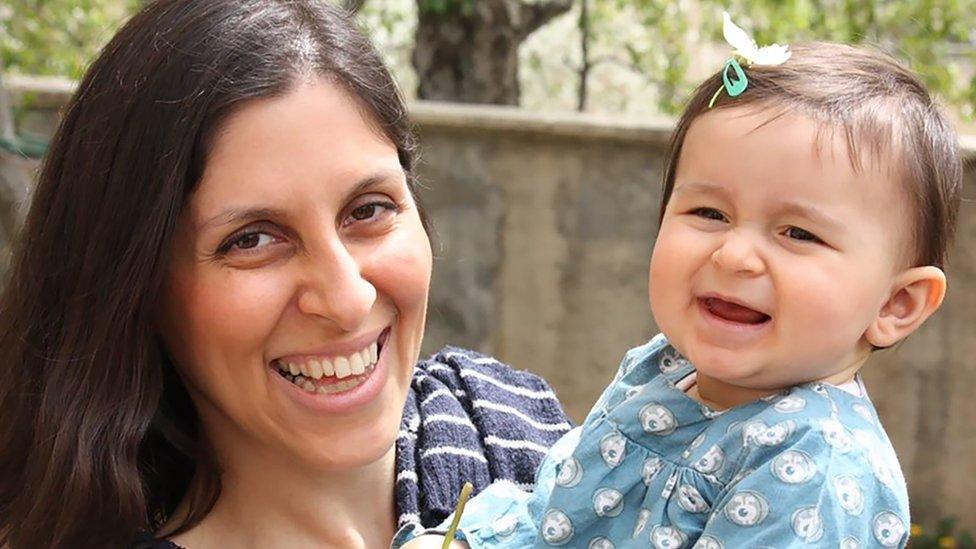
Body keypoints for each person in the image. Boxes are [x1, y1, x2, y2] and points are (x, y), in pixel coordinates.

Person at [0, 1, 573, 547]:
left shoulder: (509, 422)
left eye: (369, 209)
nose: (347, 298)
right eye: (252, 240)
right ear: (136, 287)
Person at [402, 18, 963, 549]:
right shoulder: (663, 368)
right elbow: (555, 514)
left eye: (797, 232)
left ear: (896, 303)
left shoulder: (816, 465)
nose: (736, 254)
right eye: (710, 213)